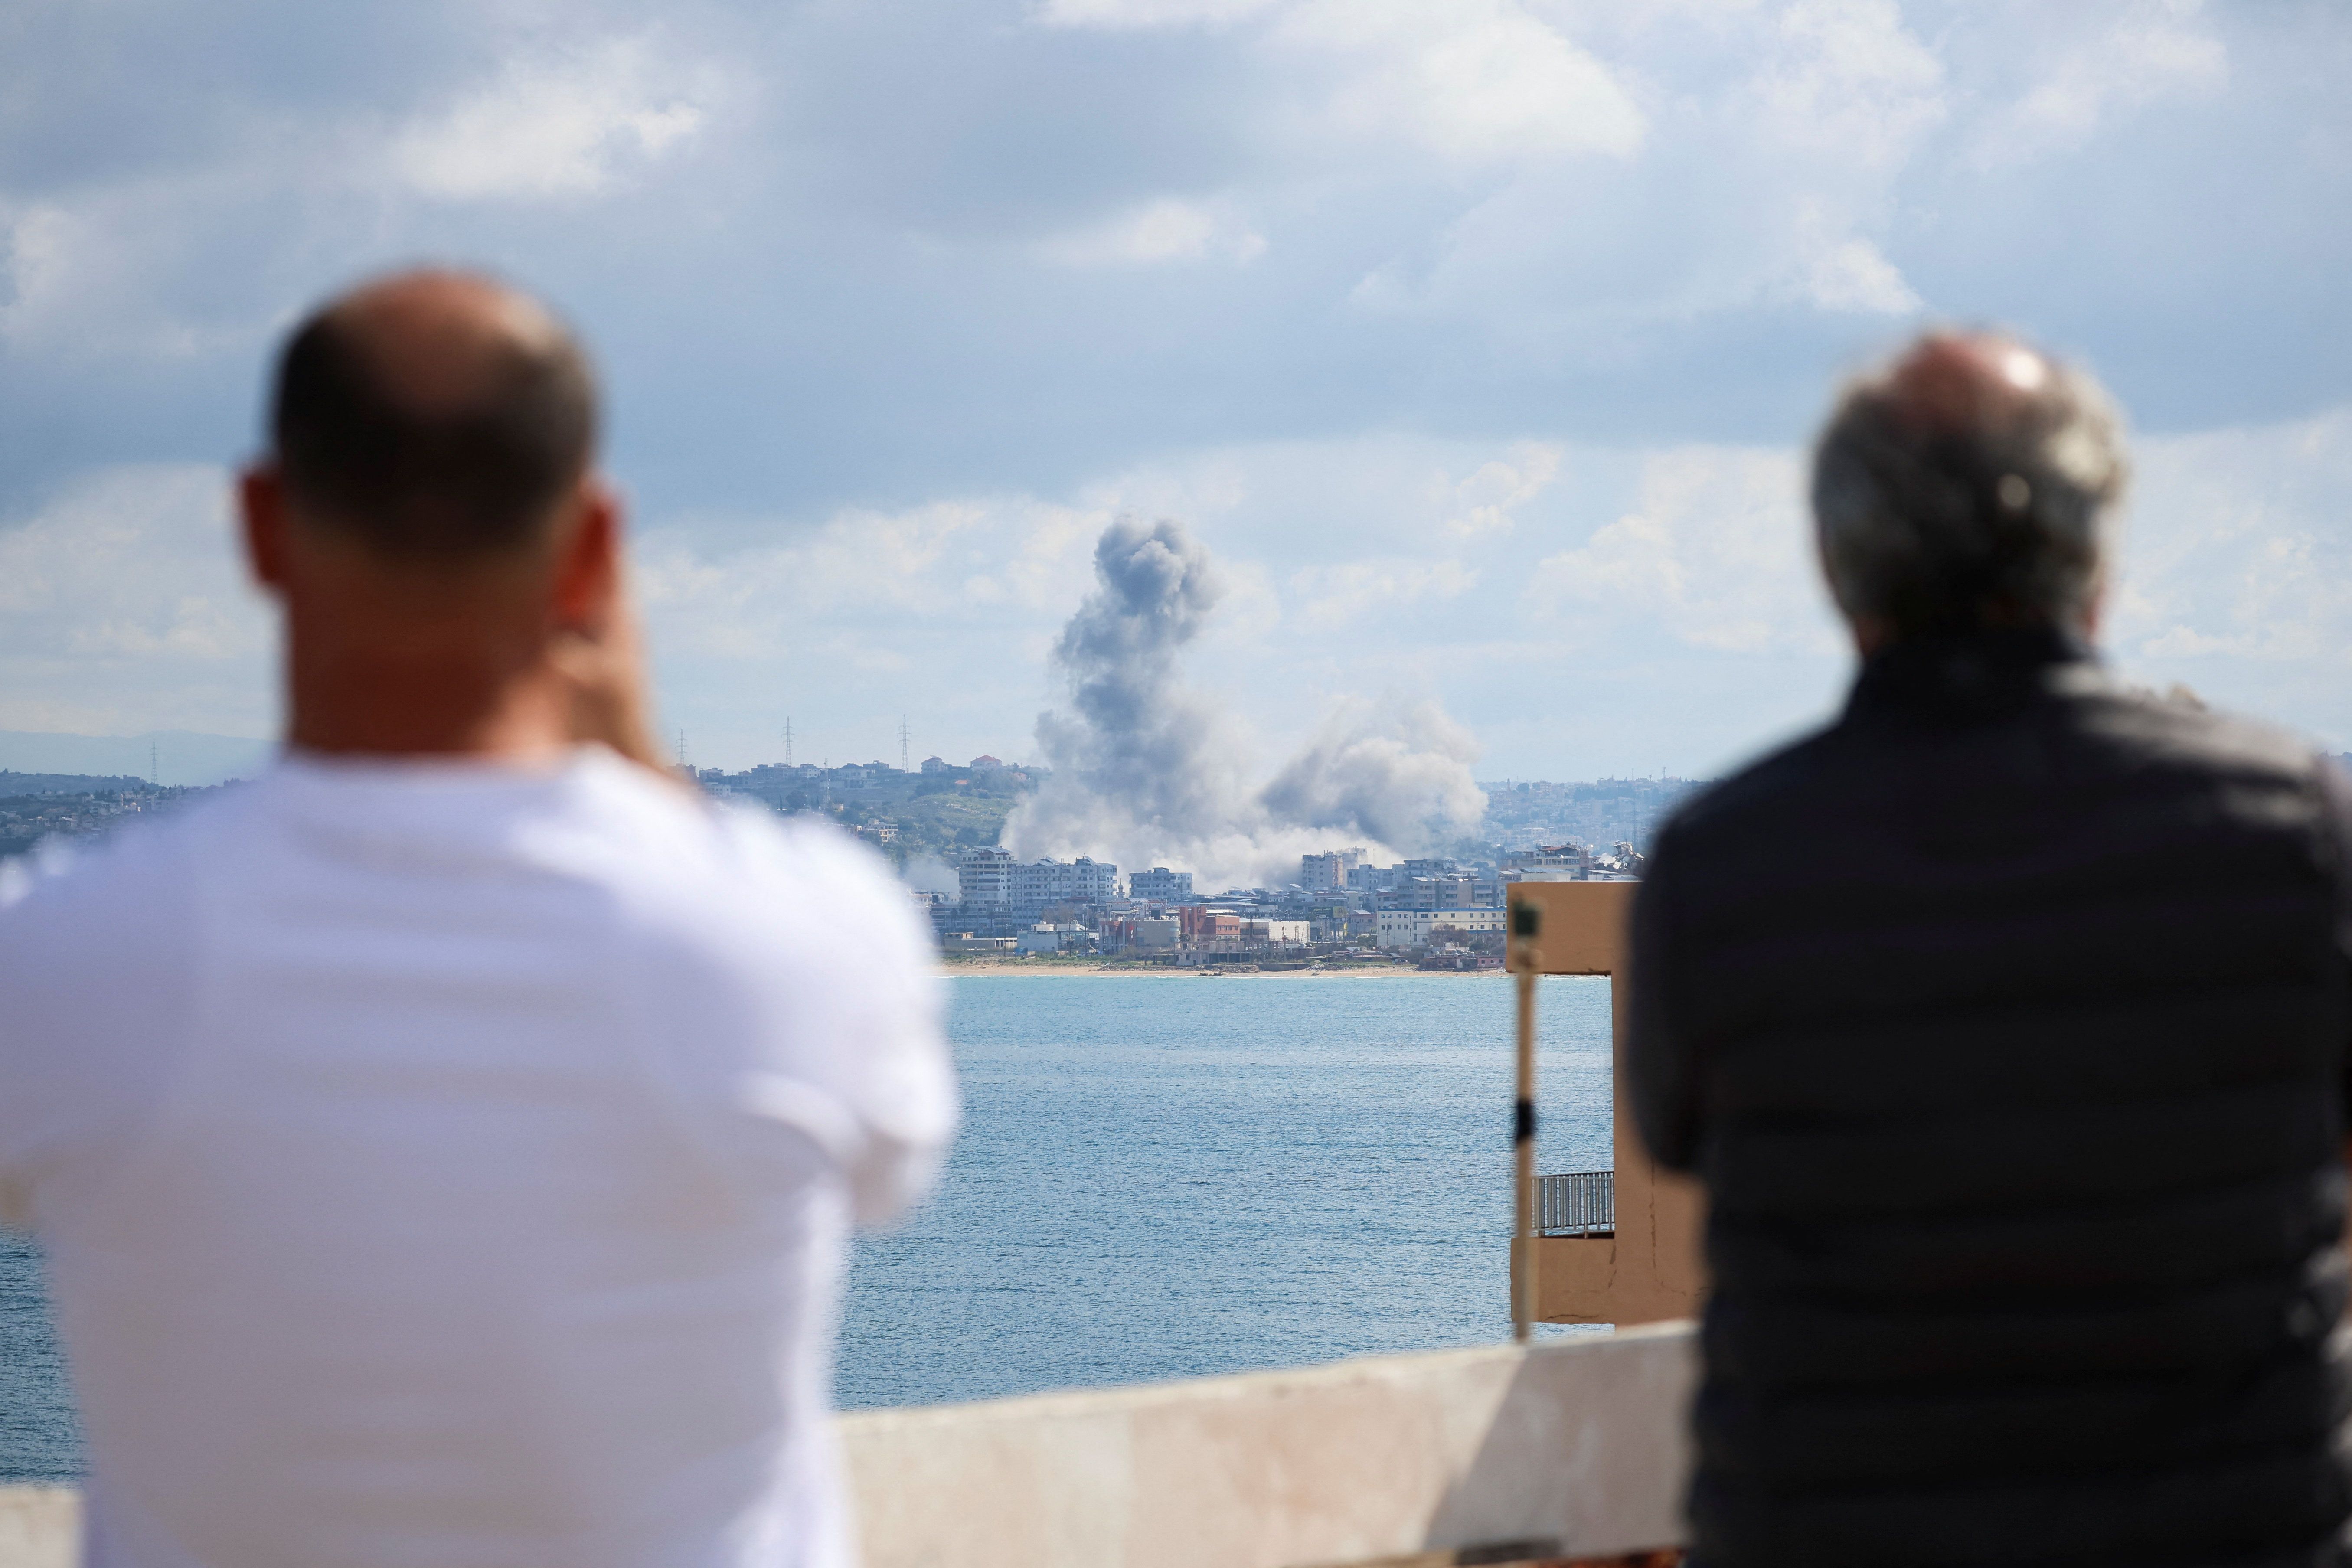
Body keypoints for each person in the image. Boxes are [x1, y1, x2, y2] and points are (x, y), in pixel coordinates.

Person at [0, 270, 957, 1568]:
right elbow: (888, 1172)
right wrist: (638, 759)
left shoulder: (59, 958)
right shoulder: (810, 936)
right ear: (594, 551)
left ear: (261, 527)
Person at [1628, 332, 2352, 1566]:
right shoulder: (2291, 835)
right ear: (2095, 561)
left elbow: (1669, 1138)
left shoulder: (1721, 868)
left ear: (1836, 567)